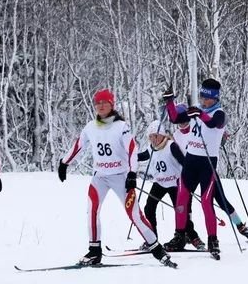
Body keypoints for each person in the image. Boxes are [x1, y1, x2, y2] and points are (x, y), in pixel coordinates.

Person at [58, 89, 173, 267]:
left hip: (121, 177)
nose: (101, 106)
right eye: (98, 103)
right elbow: (78, 145)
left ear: (112, 105)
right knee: (92, 210)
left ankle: (157, 249)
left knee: (134, 214)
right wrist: (64, 163)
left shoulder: (121, 127)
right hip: (100, 177)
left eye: (105, 102)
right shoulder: (90, 127)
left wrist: (132, 173)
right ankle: (94, 251)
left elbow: (132, 150)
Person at [166, 78, 227, 259]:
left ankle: (213, 240)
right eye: (202, 96)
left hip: (207, 165)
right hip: (191, 162)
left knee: (206, 202)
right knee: (181, 200)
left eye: (207, 98)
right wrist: (169, 101)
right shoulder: (196, 111)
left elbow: (212, 123)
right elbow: (175, 118)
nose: (204, 100)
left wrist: (199, 113)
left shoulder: (220, 113)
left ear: (215, 98)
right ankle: (179, 236)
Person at [138, 126, 202, 250]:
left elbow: (184, 162)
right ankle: (152, 239)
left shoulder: (171, 146)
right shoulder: (151, 148)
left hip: (175, 183)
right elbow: (140, 157)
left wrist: (190, 178)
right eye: (150, 137)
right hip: (160, 183)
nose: (153, 139)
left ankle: (194, 238)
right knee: (149, 208)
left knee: (180, 212)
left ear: (162, 135)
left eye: (156, 136)